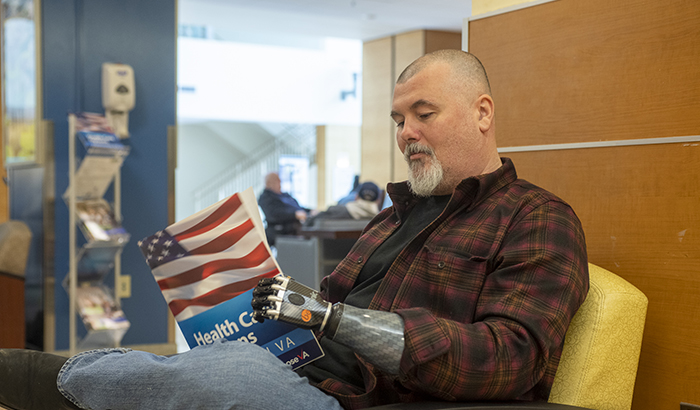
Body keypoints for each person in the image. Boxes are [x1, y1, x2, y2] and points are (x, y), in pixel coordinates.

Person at [0, 50, 589, 410]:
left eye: (423, 114)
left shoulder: (537, 219)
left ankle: (43, 383)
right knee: (214, 361)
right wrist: (245, 300)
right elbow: (323, 308)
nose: (405, 132)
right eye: (398, 119)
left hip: (362, 402)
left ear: (483, 112)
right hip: (299, 371)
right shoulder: (393, 217)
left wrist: (334, 319)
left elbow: (511, 357)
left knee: (224, 376)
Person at [258, 172, 311, 246]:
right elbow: (273, 215)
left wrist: (310, 211)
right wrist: (294, 215)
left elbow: (297, 208)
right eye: (277, 181)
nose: (280, 183)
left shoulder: (285, 196)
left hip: (297, 227)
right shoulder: (266, 198)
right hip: (280, 229)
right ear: (269, 183)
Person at [304, 181, 381, 227]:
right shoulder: (382, 221)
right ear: (378, 201)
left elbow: (309, 224)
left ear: (356, 197)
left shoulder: (335, 211)